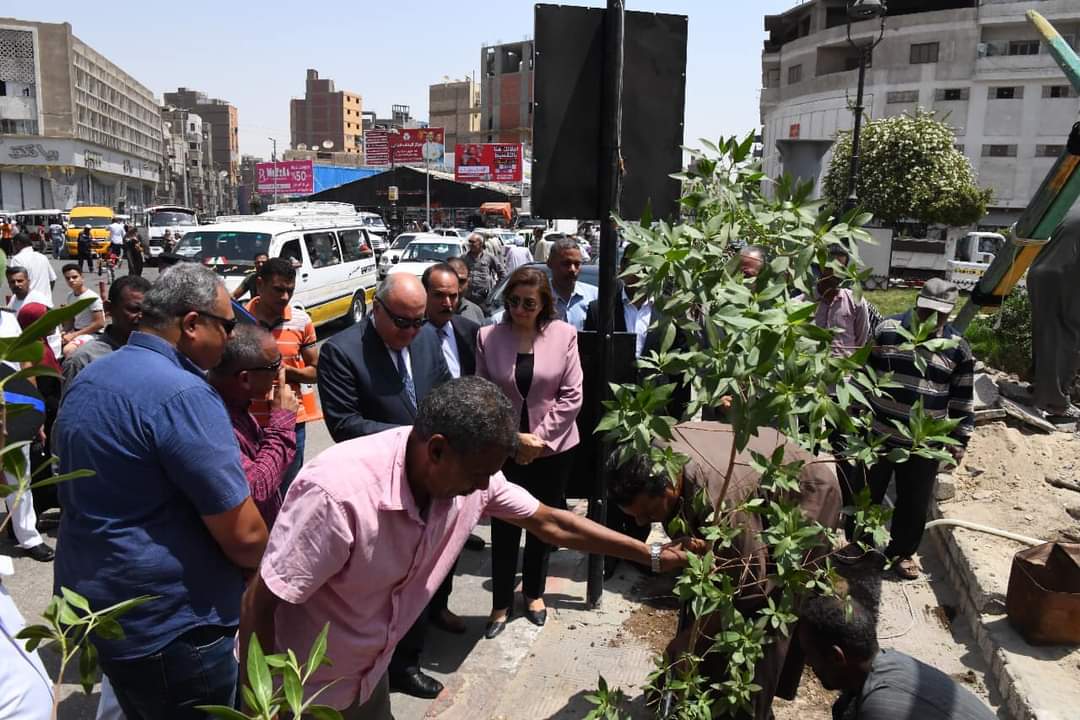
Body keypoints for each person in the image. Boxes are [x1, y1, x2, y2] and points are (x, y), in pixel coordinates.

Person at [240, 376, 691, 720]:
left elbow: (552, 522)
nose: (484, 487)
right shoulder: (337, 495)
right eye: (478, 475)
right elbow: (260, 601)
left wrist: (651, 555)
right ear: (437, 450)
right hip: (299, 695)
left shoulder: (474, 476)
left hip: (368, 679)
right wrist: (264, 706)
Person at [53, 262, 267, 719]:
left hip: (104, 610)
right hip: (176, 630)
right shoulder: (184, 394)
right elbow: (245, 535)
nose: (231, 338)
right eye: (227, 326)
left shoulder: (93, 375)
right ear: (191, 324)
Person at [609, 420, 842, 720]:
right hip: (751, 480)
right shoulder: (652, 453)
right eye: (634, 515)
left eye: (649, 512)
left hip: (807, 495)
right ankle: (699, 685)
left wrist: (687, 641)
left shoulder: (720, 498)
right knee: (709, 597)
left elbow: (747, 584)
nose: (642, 523)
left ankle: (748, 706)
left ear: (670, 485)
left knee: (769, 611)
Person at [317, 272, 452, 699]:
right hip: (376, 487)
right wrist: (417, 438)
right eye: (402, 322)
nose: (411, 331)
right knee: (382, 585)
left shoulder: (426, 339)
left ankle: (408, 662)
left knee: (421, 575)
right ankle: (374, 665)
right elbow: (344, 424)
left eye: (419, 322)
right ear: (377, 308)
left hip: (428, 480)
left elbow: (443, 394)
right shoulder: (342, 352)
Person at [476, 266, 583, 638]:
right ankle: (500, 603)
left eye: (528, 303)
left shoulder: (564, 335)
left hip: (553, 450)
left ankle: (534, 593)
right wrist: (514, 440)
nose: (519, 309)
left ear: (544, 305)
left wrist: (537, 441)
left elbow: (572, 396)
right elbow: (483, 396)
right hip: (504, 450)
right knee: (504, 526)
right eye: (513, 301)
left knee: (543, 524)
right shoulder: (488, 336)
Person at [853, 279, 974, 580]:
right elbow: (864, 372)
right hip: (878, 433)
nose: (931, 318)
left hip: (924, 441)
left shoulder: (957, 348)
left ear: (950, 311)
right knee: (866, 493)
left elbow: (962, 398)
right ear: (917, 302)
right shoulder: (887, 331)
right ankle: (859, 545)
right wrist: (854, 411)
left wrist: (960, 440)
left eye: (940, 314)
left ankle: (902, 553)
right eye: (926, 310)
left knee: (914, 501)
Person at [799, 584, 996, 720]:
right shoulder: (889, 661)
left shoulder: (882, 709)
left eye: (810, 654)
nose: (807, 662)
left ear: (837, 657)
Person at [421, 262, 484, 628]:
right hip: (426, 448)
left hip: (462, 448)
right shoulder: (412, 335)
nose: (447, 302)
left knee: (451, 533)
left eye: (453, 296)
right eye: (439, 296)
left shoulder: (468, 331)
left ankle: (439, 605)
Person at [208, 324, 298, 528]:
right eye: (274, 366)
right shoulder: (214, 423)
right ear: (245, 378)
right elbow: (257, 489)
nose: (281, 370)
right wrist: (282, 424)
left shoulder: (237, 406)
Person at [245, 258, 319, 491]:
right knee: (254, 490)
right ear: (260, 284)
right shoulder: (239, 321)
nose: (285, 297)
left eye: (290, 290)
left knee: (288, 492)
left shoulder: (301, 321)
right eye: (278, 290)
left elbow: (316, 371)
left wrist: (288, 373)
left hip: (292, 422)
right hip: (248, 422)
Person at [0, 305, 55, 563]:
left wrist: (35, 413)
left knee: (19, 476)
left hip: (14, 411)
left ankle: (28, 536)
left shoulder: (9, 320)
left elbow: (25, 368)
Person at [61, 275, 151, 398]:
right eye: (133, 309)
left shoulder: (158, 353)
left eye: (148, 311)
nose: (141, 316)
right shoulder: (83, 360)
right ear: (108, 308)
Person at [1028, 210, 1080, 420]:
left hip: (1041, 273)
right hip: (1064, 277)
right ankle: (1056, 404)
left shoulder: (1071, 210)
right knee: (1067, 336)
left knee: (1047, 334)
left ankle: (1040, 389)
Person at [813, 244, 870, 358]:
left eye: (841, 268)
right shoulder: (802, 303)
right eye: (830, 267)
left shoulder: (856, 301)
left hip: (845, 367)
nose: (835, 273)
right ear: (820, 266)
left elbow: (861, 340)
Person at [547, 237, 598, 330]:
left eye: (577, 264)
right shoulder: (538, 297)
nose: (573, 269)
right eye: (566, 263)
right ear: (550, 263)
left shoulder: (594, 297)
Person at [59, 264, 106, 358]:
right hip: (77, 332)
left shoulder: (92, 297)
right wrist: (64, 331)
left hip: (92, 334)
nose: (71, 280)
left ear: (82, 277)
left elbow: (99, 323)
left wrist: (73, 335)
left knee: (68, 350)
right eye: (68, 278)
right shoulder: (70, 296)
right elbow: (71, 320)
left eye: (74, 277)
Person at [10, 233, 56, 305]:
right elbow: (52, 279)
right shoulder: (42, 257)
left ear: (18, 243)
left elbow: (16, 284)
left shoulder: (17, 259)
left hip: (27, 304)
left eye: (13, 244)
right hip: (45, 303)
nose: (12, 248)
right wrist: (47, 296)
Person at [462, 232, 504, 309]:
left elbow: (502, 274)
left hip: (484, 298)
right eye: (469, 242)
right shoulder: (464, 257)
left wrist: (495, 290)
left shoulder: (489, 257)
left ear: (480, 244)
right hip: (468, 297)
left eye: (473, 242)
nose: (470, 244)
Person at [446, 256, 486, 324]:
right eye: (453, 280)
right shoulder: (432, 311)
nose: (457, 287)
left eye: (461, 281)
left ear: (468, 281)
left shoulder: (476, 312)